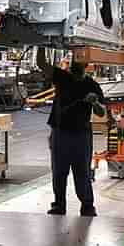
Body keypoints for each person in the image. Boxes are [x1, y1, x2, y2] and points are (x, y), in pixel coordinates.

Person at [36, 48, 105, 217]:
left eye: (80, 59)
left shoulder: (92, 85)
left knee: (82, 172)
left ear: (86, 64)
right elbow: (41, 64)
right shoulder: (61, 76)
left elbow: (101, 112)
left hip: (81, 134)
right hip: (60, 133)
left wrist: (95, 103)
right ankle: (59, 204)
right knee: (59, 172)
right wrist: (42, 44)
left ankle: (87, 205)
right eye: (75, 58)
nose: (76, 61)